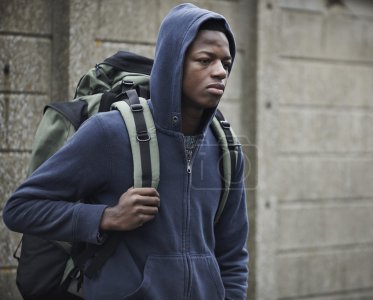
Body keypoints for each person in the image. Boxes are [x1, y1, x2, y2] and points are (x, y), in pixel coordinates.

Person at [3, 3, 249, 300]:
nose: (220, 72)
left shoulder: (226, 147)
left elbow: (233, 254)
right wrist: (105, 217)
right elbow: (21, 208)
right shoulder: (109, 132)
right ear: (174, 64)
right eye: (205, 60)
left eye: (226, 62)